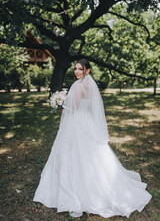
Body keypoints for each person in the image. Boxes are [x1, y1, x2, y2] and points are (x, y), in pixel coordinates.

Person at [33, 59, 152, 218]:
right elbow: (86, 106)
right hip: (86, 121)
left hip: (76, 122)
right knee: (91, 152)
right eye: (75, 69)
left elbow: (73, 107)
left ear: (87, 71)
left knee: (73, 151)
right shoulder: (90, 85)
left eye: (80, 69)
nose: (77, 72)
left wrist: (61, 102)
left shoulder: (78, 85)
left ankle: (76, 187)